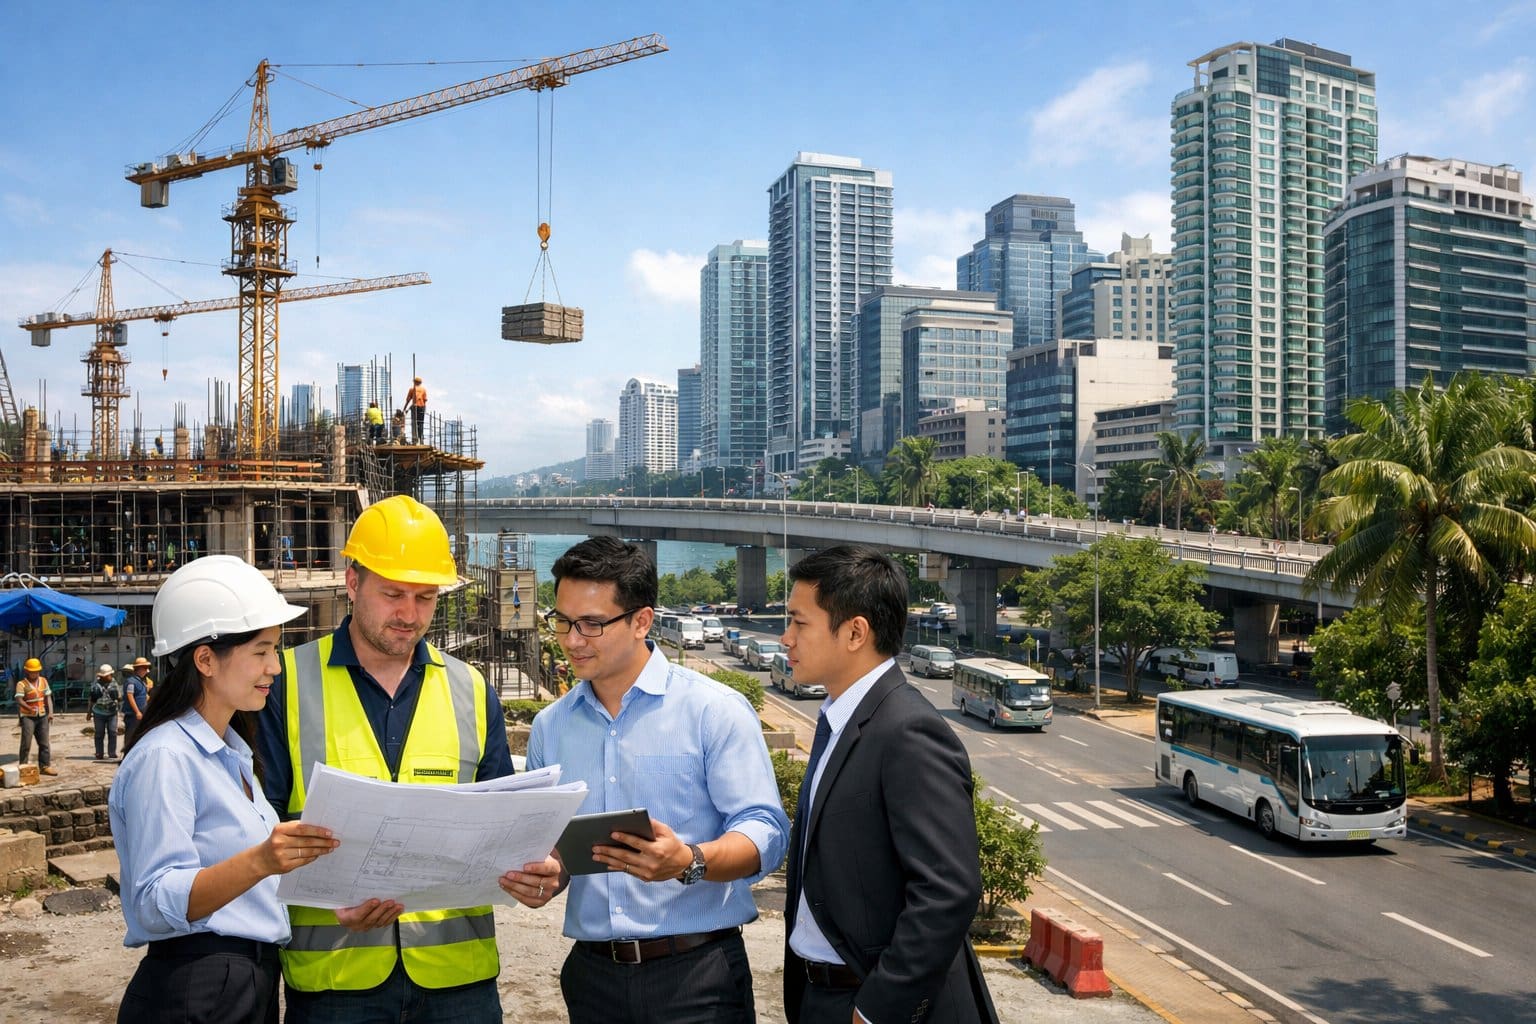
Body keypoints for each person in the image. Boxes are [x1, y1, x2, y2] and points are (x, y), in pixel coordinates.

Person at [257, 494, 548, 1024]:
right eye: (393, 594)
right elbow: (257, 830)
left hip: (458, 980)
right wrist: (328, 898)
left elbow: (506, 825)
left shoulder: (471, 690)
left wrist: (540, 871)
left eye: (425, 597)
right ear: (352, 583)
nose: (409, 615)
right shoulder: (286, 682)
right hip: (334, 981)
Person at [520, 536, 790, 1024]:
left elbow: (766, 833)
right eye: (561, 621)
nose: (572, 639)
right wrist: (547, 875)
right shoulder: (551, 726)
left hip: (698, 977)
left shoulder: (714, 711)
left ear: (642, 621)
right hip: (592, 977)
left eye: (592, 624)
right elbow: (554, 849)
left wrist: (690, 860)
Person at [110, 555, 339, 1024]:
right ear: (205, 659)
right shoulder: (166, 756)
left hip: (246, 980)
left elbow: (253, 893)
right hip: (199, 987)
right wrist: (261, 860)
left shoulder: (232, 753)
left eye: (275, 650)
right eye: (260, 651)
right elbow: (154, 901)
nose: (274, 667)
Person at [781, 544, 997, 1024]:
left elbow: (948, 890)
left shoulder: (908, 730)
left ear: (855, 631)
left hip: (876, 1004)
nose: (785, 638)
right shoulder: (839, 719)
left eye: (799, 622)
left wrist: (878, 1009)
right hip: (821, 994)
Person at [15, 657, 57, 776]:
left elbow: (47, 697)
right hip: (28, 716)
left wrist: (51, 713)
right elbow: (19, 699)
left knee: (44, 743)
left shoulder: (43, 681)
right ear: (27, 671)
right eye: (33, 671)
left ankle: (45, 766)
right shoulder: (21, 684)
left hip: (42, 715)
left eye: (37, 671)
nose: (35, 673)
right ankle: (23, 767)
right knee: (26, 743)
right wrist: (29, 708)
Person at [90, 663, 122, 761]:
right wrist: (89, 712)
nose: (110, 676)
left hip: (112, 712)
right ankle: (99, 753)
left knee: (112, 732)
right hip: (98, 712)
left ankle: (112, 753)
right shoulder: (95, 685)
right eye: (108, 675)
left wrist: (116, 698)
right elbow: (91, 699)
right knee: (99, 733)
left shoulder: (114, 683)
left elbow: (119, 697)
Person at [123, 657, 151, 743]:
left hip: (142, 712)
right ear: (139, 669)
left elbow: (143, 695)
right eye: (145, 668)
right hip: (133, 714)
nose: (147, 670)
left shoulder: (141, 681)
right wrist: (137, 712)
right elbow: (130, 696)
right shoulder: (131, 681)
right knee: (130, 734)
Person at [403, 376, 427, 443]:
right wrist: (424, 408)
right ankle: (421, 438)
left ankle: (415, 439)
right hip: (422, 407)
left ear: (414, 382)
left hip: (415, 407)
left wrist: (404, 409)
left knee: (414, 423)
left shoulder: (412, 389)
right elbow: (425, 400)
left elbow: (408, 400)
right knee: (421, 423)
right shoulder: (423, 389)